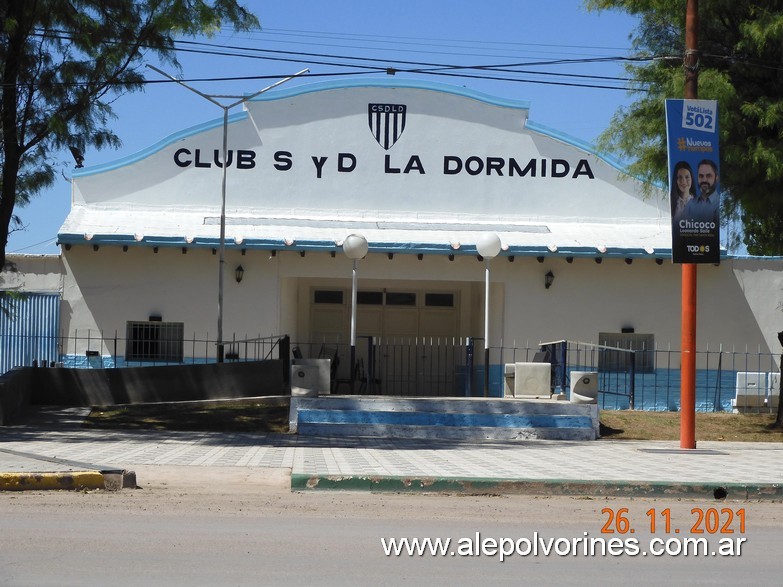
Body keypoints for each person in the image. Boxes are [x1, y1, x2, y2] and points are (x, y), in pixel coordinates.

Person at [683, 159, 720, 225]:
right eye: (701, 176)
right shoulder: (690, 204)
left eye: (708, 176)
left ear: (716, 178)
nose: (704, 180)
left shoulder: (719, 203)